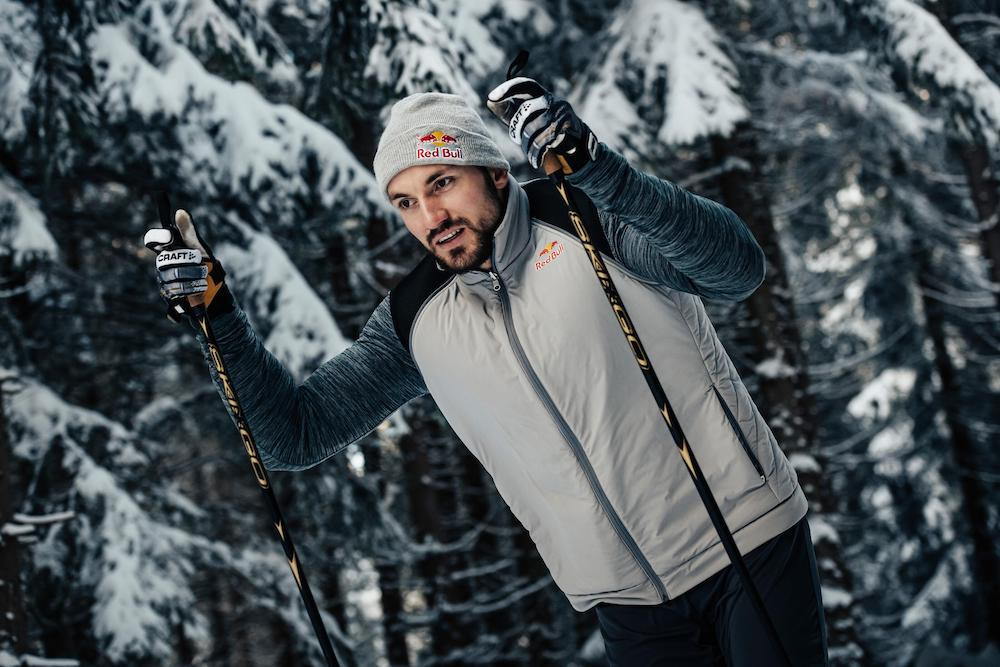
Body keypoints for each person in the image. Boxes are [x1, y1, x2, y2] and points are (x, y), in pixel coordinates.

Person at [146, 79, 829, 666]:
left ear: (495, 173)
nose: (430, 217)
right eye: (406, 202)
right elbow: (293, 436)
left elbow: (737, 269)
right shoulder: (414, 318)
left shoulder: (588, 216)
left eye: (441, 183)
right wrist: (218, 317)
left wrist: (597, 170)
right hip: (629, 603)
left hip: (747, 543)